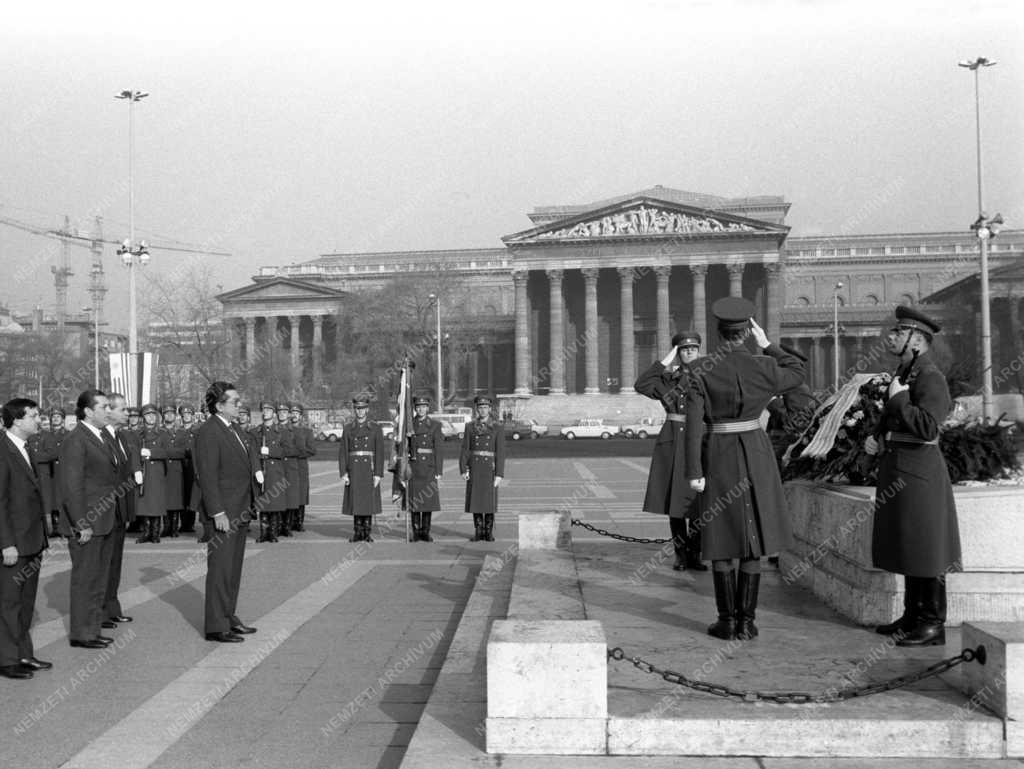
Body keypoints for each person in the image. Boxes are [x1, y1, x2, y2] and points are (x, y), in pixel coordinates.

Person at [685, 298, 805, 641]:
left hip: (719, 455)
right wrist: (768, 344)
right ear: (746, 334)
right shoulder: (764, 366)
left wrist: (694, 470)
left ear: (718, 333)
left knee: (722, 538)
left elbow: (694, 424)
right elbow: (797, 372)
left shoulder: (698, 370)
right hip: (756, 451)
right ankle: (747, 621)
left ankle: (726, 620)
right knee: (755, 537)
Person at [865, 306, 961, 647]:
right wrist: (877, 434)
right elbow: (895, 416)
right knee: (909, 545)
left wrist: (901, 399)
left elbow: (927, 426)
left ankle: (932, 622)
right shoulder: (905, 372)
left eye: (898, 332)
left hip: (920, 471)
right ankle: (912, 616)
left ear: (917, 340)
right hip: (901, 467)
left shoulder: (929, 376)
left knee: (926, 547)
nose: (891, 337)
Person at [193, 381, 263, 643]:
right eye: (234, 401)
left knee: (232, 569)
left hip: (240, 508)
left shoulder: (234, 429)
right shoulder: (210, 432)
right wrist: (217, 512)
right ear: (219, 406)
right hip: (224, 512)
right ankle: (215, 625)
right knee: (220, 569)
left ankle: (228, 616)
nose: (240, 404)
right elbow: (207, 476)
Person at [634, 330, 706, 572]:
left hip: (698, 440)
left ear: (699, 350)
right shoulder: (668, 379)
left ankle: (696, 553)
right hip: (673, 442)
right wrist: (665, 360)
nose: (689, 352)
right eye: (684, 349)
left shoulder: (707, 376)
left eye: (693, 349)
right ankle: (681, 554)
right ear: (677, 352)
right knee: (675, 503)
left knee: (698, 502)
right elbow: (641, 384)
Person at [58, 390, 123, 649]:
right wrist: (81, 522)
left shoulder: (101, 436)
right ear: (87, 411)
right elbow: (71, 486)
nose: (108, 411)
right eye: (104, 406)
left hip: (105, 518)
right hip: (88, 522)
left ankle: (92, 629)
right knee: (86, 579)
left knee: (98, 579)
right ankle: (82, 634)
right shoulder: (77, 439)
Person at [0, 398, 51, 679]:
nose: (38, 419)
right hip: (14, 544)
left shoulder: (24, 448)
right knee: (9, 602)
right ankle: (7, 659)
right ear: (17, 420)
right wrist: (6, 542)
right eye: (33, 415)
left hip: (31, 540)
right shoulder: (3, 450)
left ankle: (23, 653)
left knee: (26, 601)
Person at [101, 393, 139, 630]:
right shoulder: (101, 437)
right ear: (109, 411)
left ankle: (112, 608)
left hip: (120, 509)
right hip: (105, 510)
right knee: (104, 564)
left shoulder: (122, 436)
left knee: (115, 563)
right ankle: (101, 611)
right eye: (123, 409)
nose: (127, 413)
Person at [338, 395, 386, 543]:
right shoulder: (348, 429)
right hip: (354, 470)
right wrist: (343, 472)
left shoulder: (375, 428)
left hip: (368, 469)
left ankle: (366, 532)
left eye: (363, 409)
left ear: (367, 410)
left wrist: (378, 473)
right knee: (356, 501)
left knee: (367, 502)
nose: (360, 412)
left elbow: (380, 452)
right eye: (357, 409)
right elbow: (343, 453)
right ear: (354, 410)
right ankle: (357, 532)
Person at [459, 394, 505, 542]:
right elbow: (465, 449)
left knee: (489, 502)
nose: (483, 410)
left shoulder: (497, 427)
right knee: (476, 501)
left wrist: (499, 474)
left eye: (485, 407)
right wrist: (463, 468)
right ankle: (479, 531)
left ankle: (488, 532)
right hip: (475, 468)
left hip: (489, 469)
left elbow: (501, 452)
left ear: (490, 409)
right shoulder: (470, 427)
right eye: (480, 407)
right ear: (477, 409)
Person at [407, 395, 444, 542]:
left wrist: (439, 470)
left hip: (429, 467)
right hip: (414, 467)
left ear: (428, 408)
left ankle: (425, 531)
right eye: (418, 407)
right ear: (415, 408)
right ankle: (416, 532)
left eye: (423, 406)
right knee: (415, 501)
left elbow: (439, 449)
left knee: (427, 502)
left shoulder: (435, 425)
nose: (421, 409)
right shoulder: (409, 425)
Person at [135, 404, 171, 544]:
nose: (150, 417)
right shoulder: (138, 434)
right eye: (147, 415)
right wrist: (136, 469)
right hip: (144, 471)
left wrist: (151, 453)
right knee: (144, 504)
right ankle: (146, 532)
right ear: (143, 418)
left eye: (153, 415)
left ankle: (155, 533)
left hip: (156, 472)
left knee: (156, 503)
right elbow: (133, 453)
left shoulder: (162, 433)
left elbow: (167, 452)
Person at [255, 401, 287, 542]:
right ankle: (263, 533)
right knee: (263, 504)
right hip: (262, 470)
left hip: (275, 470)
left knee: (273, 504)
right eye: (263, 410)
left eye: (268, 410)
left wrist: (270, 451)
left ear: (274, 414)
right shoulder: (256, 431)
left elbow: (287, 450)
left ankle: (273, 533)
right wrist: (257, 470)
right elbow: (251, 453)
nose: (265, 412)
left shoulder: (280, 431)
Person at [161, 405, 189, 538]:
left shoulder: (182, 432)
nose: (169, 416)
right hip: (164, 469)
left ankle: (174, 528)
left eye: (172, 413)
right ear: (163, 416)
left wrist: (166, 452)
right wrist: (171, 453)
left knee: (177, 499)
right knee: (164, 498)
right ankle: (166, 527)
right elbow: (158, 450)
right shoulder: (159, 431)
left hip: (177, 470)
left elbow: (183, 452)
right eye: (166, 413)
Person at [289, 403, 316, 532]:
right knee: (289, 493)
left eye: (296, 413)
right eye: (292, 413)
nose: (294, 415)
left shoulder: (307, 432)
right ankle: (288, 521)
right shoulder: (283, 429)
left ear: (300, 416)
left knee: (301, 494)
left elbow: (312, 450)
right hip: (288, 466)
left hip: (301, 466)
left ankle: (299, 521)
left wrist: (296, 452)